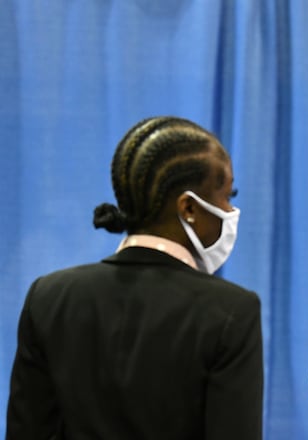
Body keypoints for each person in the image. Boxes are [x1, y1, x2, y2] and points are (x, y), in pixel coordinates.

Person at [6, 116, 263, 439]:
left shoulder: (48, 297)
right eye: (227, 195)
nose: (230, 210)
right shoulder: (232, 311)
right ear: (189, 208)